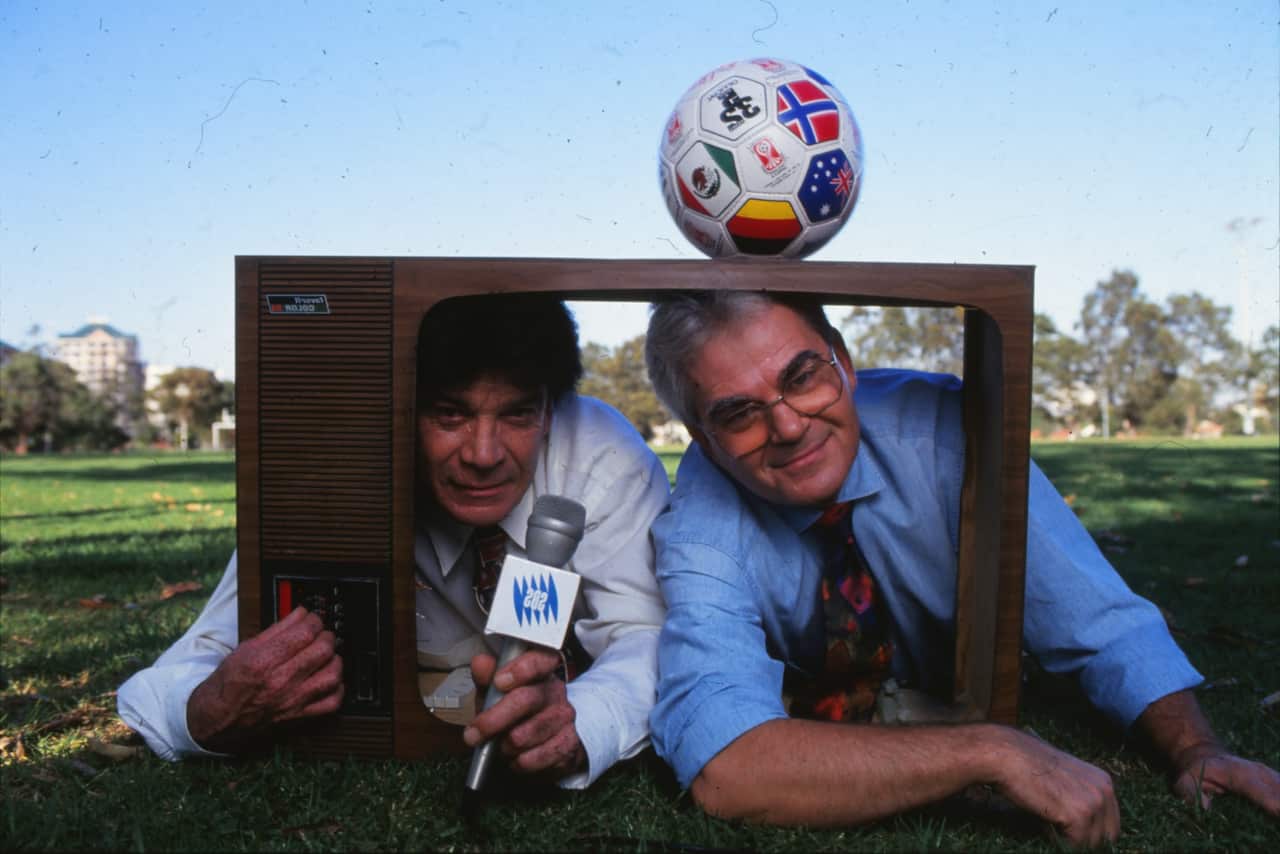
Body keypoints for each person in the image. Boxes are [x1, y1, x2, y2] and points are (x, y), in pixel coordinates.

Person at [643, 290, 1279, 845]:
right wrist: (989, 749)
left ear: (844, 360)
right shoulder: (701, 523)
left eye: (804, 376)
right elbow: (726, 767)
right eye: (738, 414)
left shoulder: (950, 432)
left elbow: (1096, 622)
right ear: (703, 439)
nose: (787, 425)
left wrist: (1197, 749)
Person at [118, 294, 669, 789]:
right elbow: (180, 674)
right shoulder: (339, 470)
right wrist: (207, 714)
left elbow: (648, 634)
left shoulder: (600, 455)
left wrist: (584, 723)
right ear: (401, 410)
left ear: (550, 410)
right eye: (449, 414)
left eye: (517, 414)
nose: (483, 454)